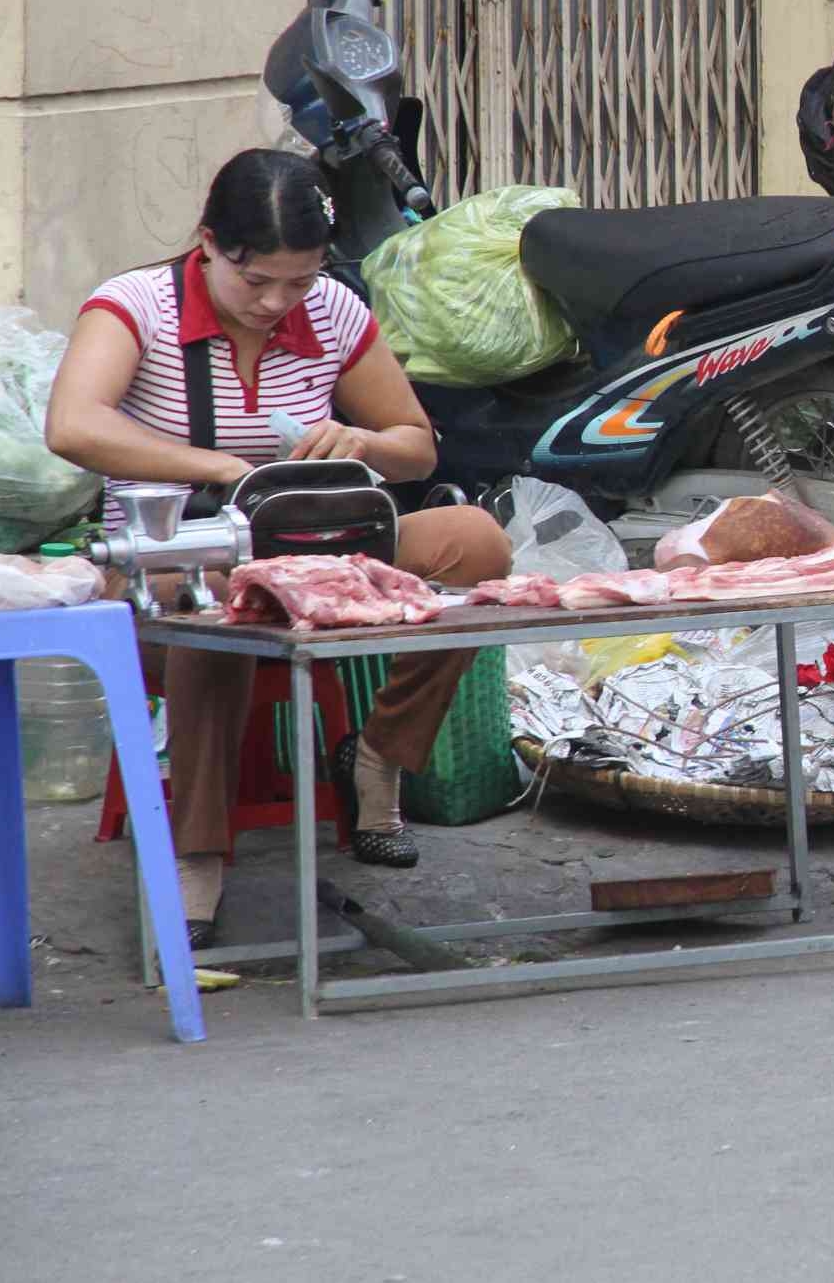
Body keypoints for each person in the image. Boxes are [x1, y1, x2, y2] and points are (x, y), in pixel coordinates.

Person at [44, 149, 512, 945]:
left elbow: (417, 447)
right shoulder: (136, 305)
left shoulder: (330, 311)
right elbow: (73, 425)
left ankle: (378, 758)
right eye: (255, 280)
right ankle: (197, 854)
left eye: (298, 280)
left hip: (319, 550)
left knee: (476, 543)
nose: (276, 301)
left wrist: (359, 437)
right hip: (175, 569)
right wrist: (224, 468)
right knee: (220, 600)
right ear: (208, 243)